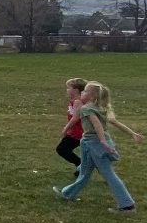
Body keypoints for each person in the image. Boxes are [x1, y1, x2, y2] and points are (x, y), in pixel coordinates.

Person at [53, 81, 143, 212]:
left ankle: (127, 205)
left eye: (84, 92)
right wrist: (132, 133)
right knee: (84, 172)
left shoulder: (87, 108)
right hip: (90, 144)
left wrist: (103, 142)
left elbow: (97, 124)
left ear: (91, 96)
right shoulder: (101, 108)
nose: (82, 93)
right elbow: (115, 123)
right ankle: (68, 193)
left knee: (108, 174)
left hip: (95, 145)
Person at [56, 78, 87, 178]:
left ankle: (81, 165)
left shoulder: (78, 101)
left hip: (78, 132)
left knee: (62, 149)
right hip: (75, 131)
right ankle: (81, 167)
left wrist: (66, 128)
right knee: (63, 149)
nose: (67, 90)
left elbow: (75, 118)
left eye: (69, 88)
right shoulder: (73, 101)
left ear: (76, 90)